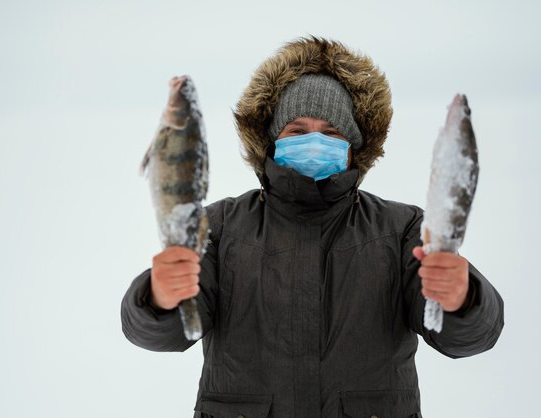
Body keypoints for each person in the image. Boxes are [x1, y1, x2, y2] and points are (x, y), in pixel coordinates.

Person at [121, 36, 504, 418]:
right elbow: (163, 333)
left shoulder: (403, 229)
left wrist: (462, 299)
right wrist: (158, 298)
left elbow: (469, 337)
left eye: (332, 132)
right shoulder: (218, 227)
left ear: (355, 146)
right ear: (271, 142)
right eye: (297, 131)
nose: (315, 142)